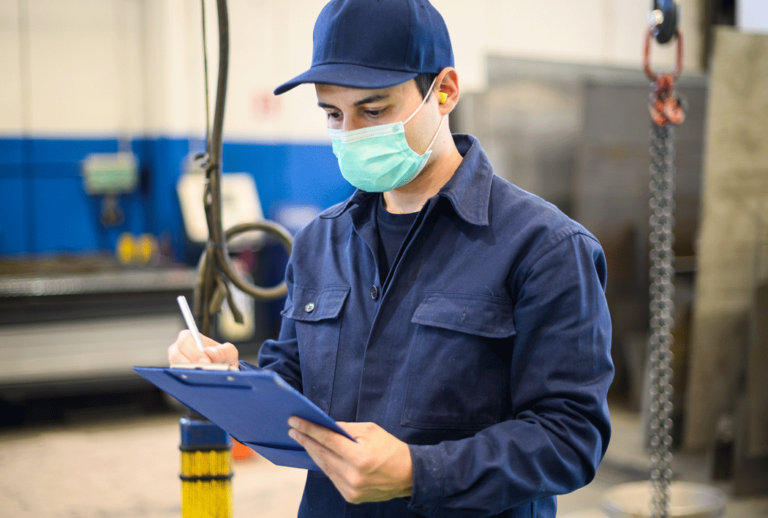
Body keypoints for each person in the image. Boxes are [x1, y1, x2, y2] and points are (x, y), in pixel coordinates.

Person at [168, 0, 614, 516]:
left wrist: (417, 473)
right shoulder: (319, 242)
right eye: (334, 114)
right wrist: (233, 382)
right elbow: (295, 383)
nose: (352, 132)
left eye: (373, 111)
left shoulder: (545, 248)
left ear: (444, 91)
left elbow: (570, 438)